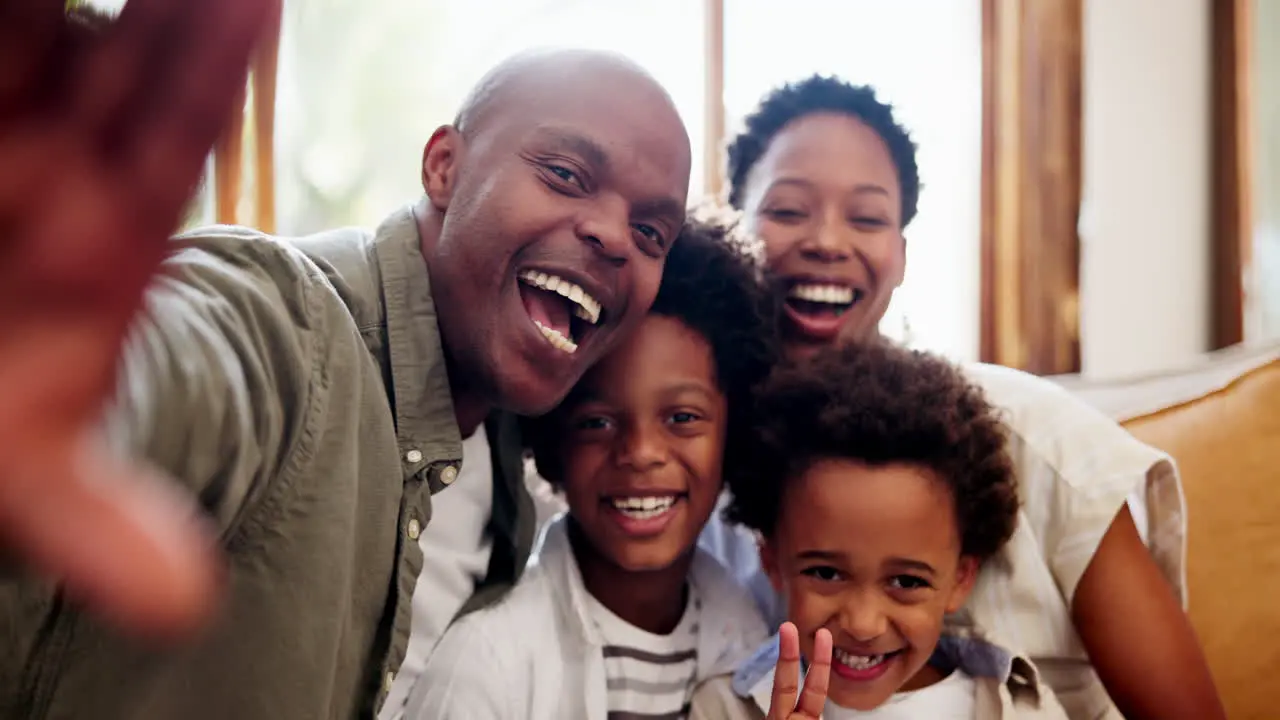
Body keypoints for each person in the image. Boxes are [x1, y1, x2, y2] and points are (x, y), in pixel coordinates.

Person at [0, 1, 693, 716]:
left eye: (650, 231)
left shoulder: (512, 478)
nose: (614, 236)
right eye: (566, 174)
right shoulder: (283, 321)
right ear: (444, 166)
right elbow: (174, 370)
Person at [699, 74, 1225, 719]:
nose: (828, 242)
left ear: (900, 252)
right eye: (786, 211)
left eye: (867, 218)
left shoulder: (1034, 434)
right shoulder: (690, 471)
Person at [406, 218, 778, 719]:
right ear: (551, 443)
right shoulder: (485, 662)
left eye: (682, 418)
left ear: (733, 432)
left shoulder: (745, 634)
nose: (642, 451)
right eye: (596, 422)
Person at [691, 342, 1069, 719]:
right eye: (826, 573)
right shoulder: (723, 709)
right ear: (771, 560)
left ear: (960, 578)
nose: (863, 623)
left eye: (906, 582)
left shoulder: (1023, 710)